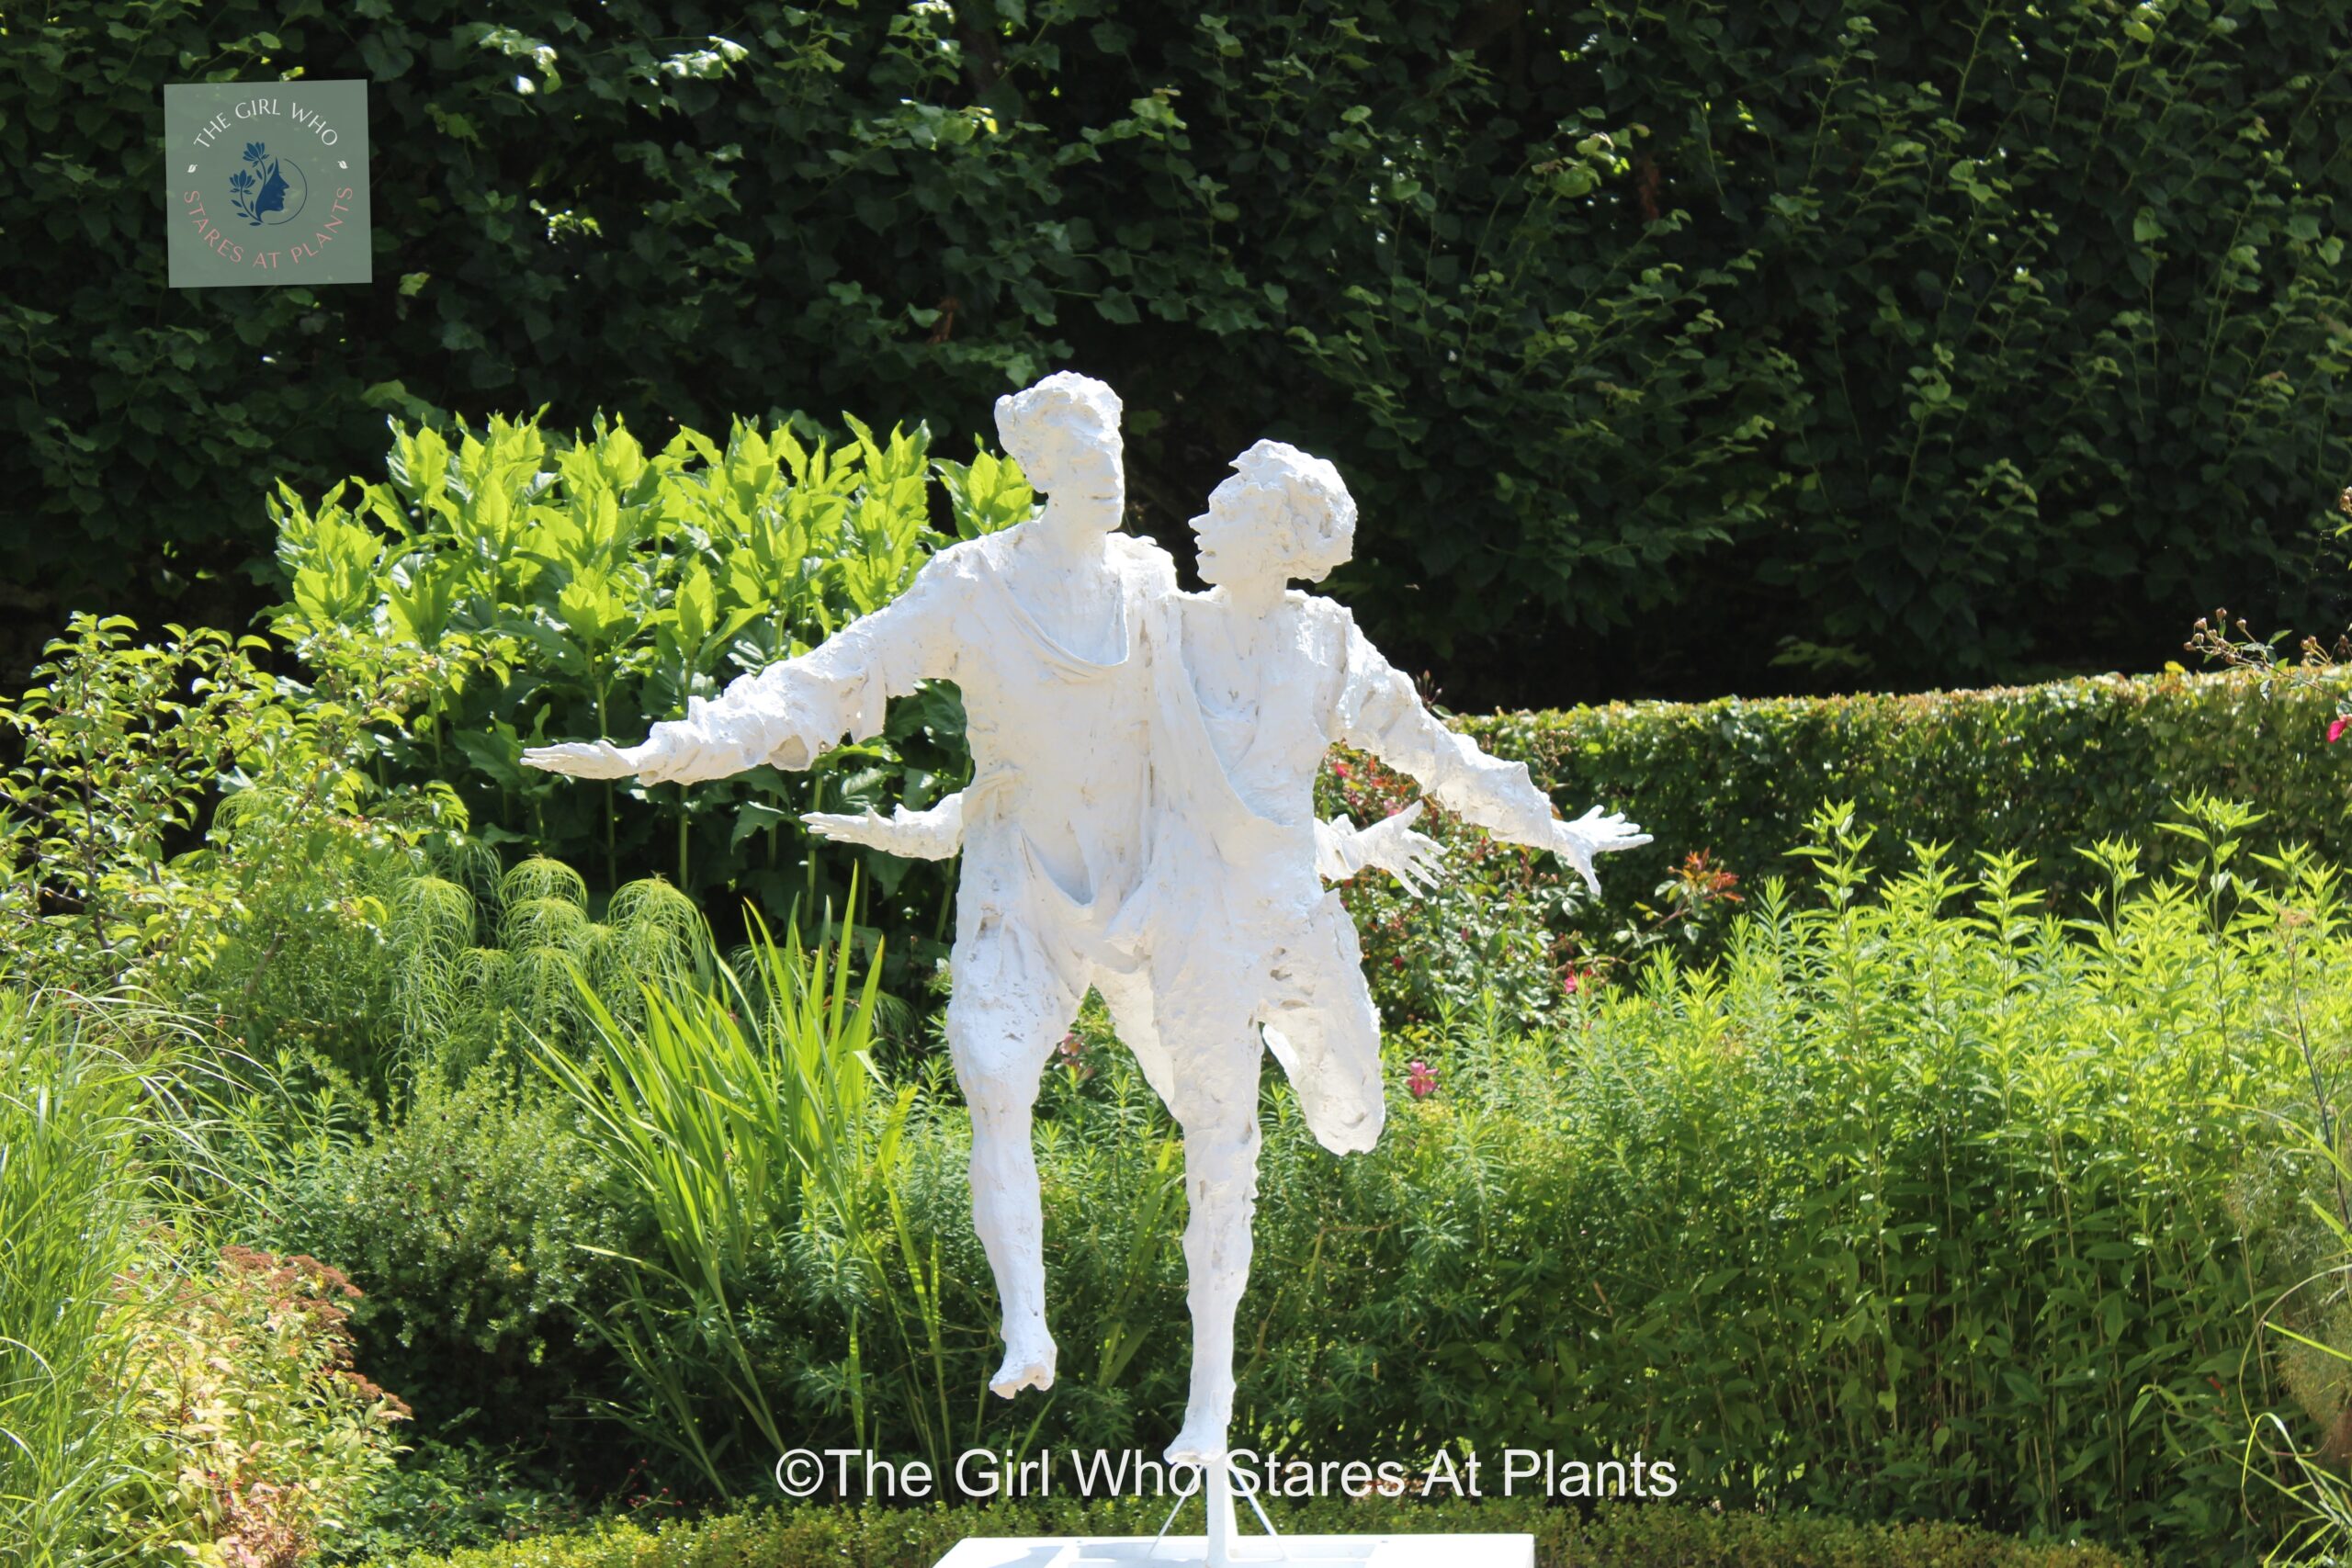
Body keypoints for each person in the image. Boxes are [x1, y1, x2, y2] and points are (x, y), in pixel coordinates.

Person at [812, 438, 1650, 1463]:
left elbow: (1438, 753)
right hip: (1198, 935)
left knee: (1350, 1118)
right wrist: (952, 814)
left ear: (1278, 537)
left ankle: (1330, 1087)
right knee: (1222, 1156)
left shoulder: (1329, 644)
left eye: (1221, 510)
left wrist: (1551, 829)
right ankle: (1208, 1406)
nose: (1195, 525)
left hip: (1294, 923)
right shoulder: (1155, 633)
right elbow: (1070, 756)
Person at [523, 371, 1172, 1400]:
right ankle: (1028, 1330)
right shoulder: (974, 587)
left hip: (1143, 882)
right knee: (993, 1079)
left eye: (1115, 450)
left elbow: (1216, 741)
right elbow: (829, 675)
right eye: (1084, 455)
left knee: (1212, 1100)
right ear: (1041, 470)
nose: (1108, 472)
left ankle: (1217, 1355)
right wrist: (676, 747)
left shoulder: (1150, 587)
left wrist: (1313, 842)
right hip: (1020, 884)